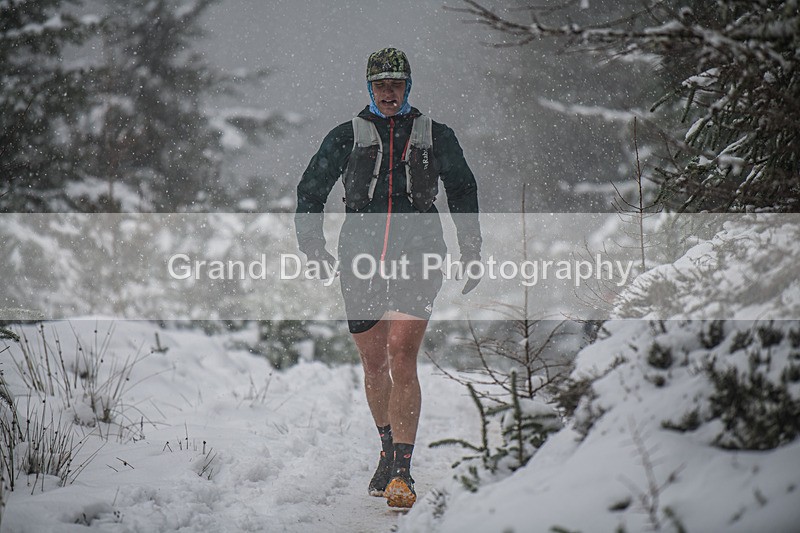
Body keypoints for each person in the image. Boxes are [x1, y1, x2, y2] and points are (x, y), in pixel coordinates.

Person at [295, 47, 481, 508]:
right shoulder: (345, 136)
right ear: (369, 88)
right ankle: (386, 446)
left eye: (396, 84)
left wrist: (471, 248)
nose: (389, 92)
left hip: (420, 255)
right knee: (375, 362)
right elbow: (310, 190)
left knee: (402, 354)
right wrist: (312, 247)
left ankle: (402, 469)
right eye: (381, 85)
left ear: (409, 86)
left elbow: (462, 189)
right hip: (360, 258)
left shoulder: (437, 135)